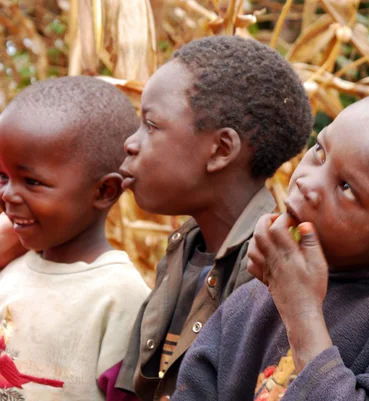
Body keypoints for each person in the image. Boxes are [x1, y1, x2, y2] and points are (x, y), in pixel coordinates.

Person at [172, 88, 369, 401]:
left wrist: (300, 313)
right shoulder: (259, 296)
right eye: (319, 151)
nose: (306, 182)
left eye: (346, 187)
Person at [111, 36, 313, 401]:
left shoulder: (270, 272)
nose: (131, 143)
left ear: (221, 150)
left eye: (151, 126)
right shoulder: (184, 251)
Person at [0, 76, 150, 401]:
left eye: (32, 181)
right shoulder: (8, 269)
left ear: (103, 191)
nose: (8, 194)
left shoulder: (119, 297)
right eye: (4, 177)